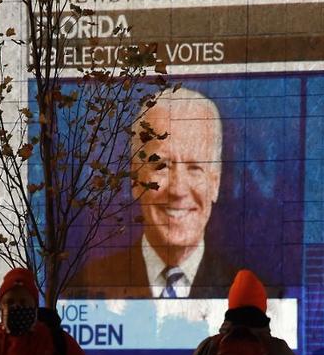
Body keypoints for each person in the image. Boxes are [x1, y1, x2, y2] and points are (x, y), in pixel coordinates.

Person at [68, 87, 238, 299]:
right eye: (162, 166)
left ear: (215, 182)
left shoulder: (246, 290)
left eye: (195, 167)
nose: (178, 190)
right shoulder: (88, 286)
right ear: (135, 179)